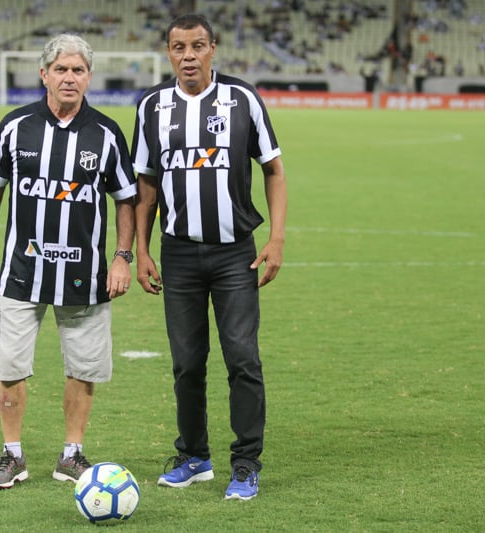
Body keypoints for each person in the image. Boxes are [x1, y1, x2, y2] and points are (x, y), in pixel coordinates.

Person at [0, 33, 136, 490]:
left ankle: (72, 455)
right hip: (21, 272)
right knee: (9, 367)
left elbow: (125, 199)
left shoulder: (105, 134)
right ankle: (12, 456)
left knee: (83, 368)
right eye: (60, 69)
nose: (69, 78)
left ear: (89, 77)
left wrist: (122, 258)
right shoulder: (14, 126)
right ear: (43, 74)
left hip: (84, 276)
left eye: (77, 70)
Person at [131, 13, 287, 501]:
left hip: (234, 254)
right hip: (177, 254)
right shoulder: (152, 106)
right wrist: (141, 250)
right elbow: (146, 185)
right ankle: (194, 456)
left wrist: (277, 238)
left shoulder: (241, 100)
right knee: (186, 362)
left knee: (242, 357)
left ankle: (246, 463)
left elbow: (274, 170)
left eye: (198, 46)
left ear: (213, 49)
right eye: (179, 47)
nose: (189, 56)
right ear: (169, 52)